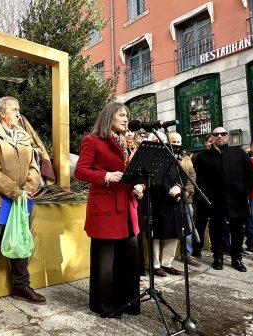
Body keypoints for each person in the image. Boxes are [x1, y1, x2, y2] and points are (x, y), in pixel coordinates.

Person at [0, 96, 45, 320]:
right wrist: (16, 192)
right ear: (1, 113)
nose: (18, 113)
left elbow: (35, 168)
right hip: (0, 200)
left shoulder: (25, 138)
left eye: (18, 109)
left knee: (21, 241)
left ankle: (20, 286)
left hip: (23, 200)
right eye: (14, 109)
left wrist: (27, 190)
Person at [74, 102, 142, 317]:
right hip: (105, 208)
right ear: (109, 116)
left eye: (127, 116)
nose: (125, 119)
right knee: (106, 262)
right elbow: (80, 171)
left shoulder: (128, 143)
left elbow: (135, 172)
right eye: (121, 115)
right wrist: (105, 176)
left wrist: (140, 185)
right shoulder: (92, 140)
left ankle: (129, 302)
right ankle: (105, 305)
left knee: (129, 258)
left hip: (127, 207)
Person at [193, 127, 253, 272]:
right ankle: (218, 258)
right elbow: (200, 180)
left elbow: (251, 174)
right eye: (216, 134)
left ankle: (237, 258)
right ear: (212, 137)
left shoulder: (239, 153)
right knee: (216, 230)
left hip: (237, 199)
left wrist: (244, 190)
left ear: (228, 137)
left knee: (237, 230)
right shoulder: (203, 156)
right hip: (215, 200)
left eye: (223, 134)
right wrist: (205, 198)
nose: (219, 136)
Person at [145, 131, 185, 277]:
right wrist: (170, 190)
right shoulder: (150, 157)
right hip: (159, 202)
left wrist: (179, 187)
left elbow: (183, 176)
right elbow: (154, 180)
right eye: (157, 140)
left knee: (174, 233)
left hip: (175, 201)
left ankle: (167, 263)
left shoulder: (174, 157)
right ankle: (155, 265)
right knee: (157, 235)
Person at [169, 132, 200, 267]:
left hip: (186, 197)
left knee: (187, 226)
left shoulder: (186, 158)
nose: (176, 144)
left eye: (178, 142)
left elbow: (191, 176)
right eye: (173, 141)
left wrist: (187, 192)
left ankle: (187, 254)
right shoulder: (164, 157)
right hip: (169, 197)